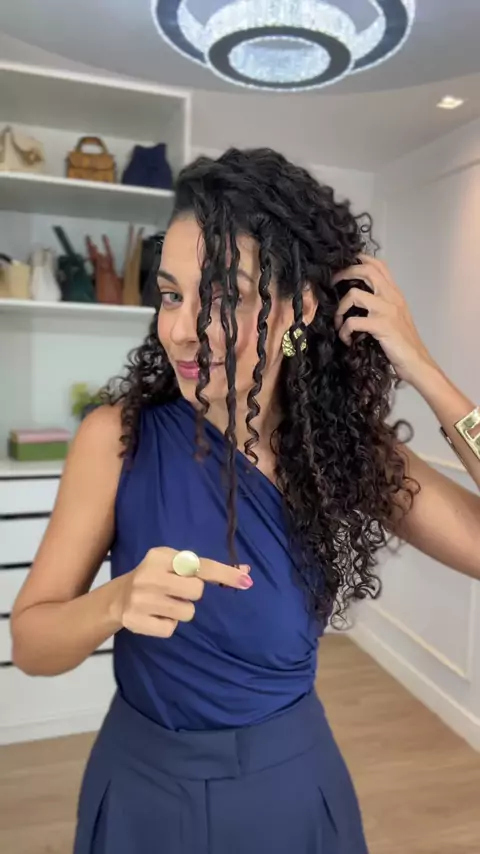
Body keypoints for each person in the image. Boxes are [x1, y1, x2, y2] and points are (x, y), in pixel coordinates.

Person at [11, 148, 480, 854]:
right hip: (142, 786)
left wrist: (424, 368)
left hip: (288, 788)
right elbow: (30, 643)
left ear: (300, 309)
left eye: (221, 297)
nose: (180, 328)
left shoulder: (342, 452)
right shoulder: (117, 439)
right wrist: (115, 602)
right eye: (171, 295)